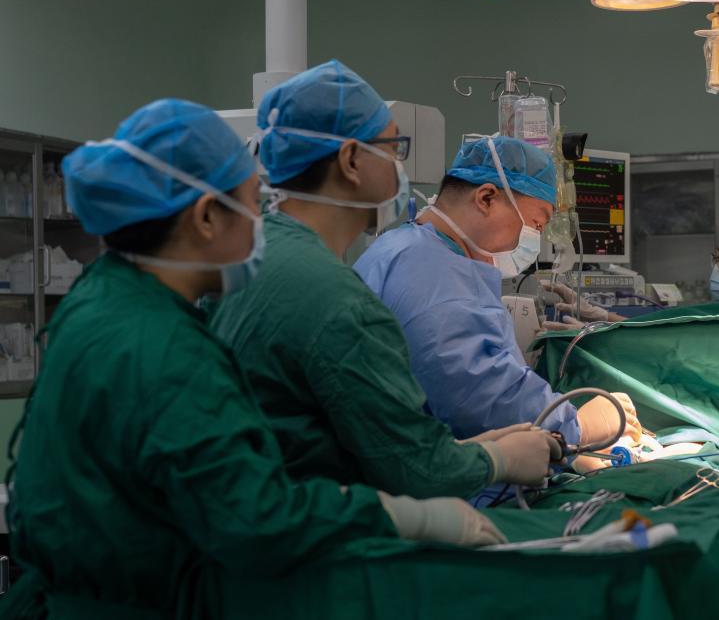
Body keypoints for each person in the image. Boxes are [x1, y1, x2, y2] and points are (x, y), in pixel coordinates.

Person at [5, 99, 505, 617]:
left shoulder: (101, 296)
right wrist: (406, 517)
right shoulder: (166, 350)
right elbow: (257, 519)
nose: (261, 225)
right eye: (253, 203)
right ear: (206, 217)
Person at [211, 61, 560, 503]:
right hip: (310, 522)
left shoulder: (245, 259)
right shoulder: (336, 299)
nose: (401, 167)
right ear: (351, 161)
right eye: (394, 149)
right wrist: (496, 459)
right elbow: (414, 467)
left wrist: (469, 449)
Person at [354, 134, 641, 495]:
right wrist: (575, 427)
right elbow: (476, 398)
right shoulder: (429, 272)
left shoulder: (413, 251)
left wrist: (567, 452)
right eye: (537, 224)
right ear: (486, 198)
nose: (533, 239)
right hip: (430, 491)